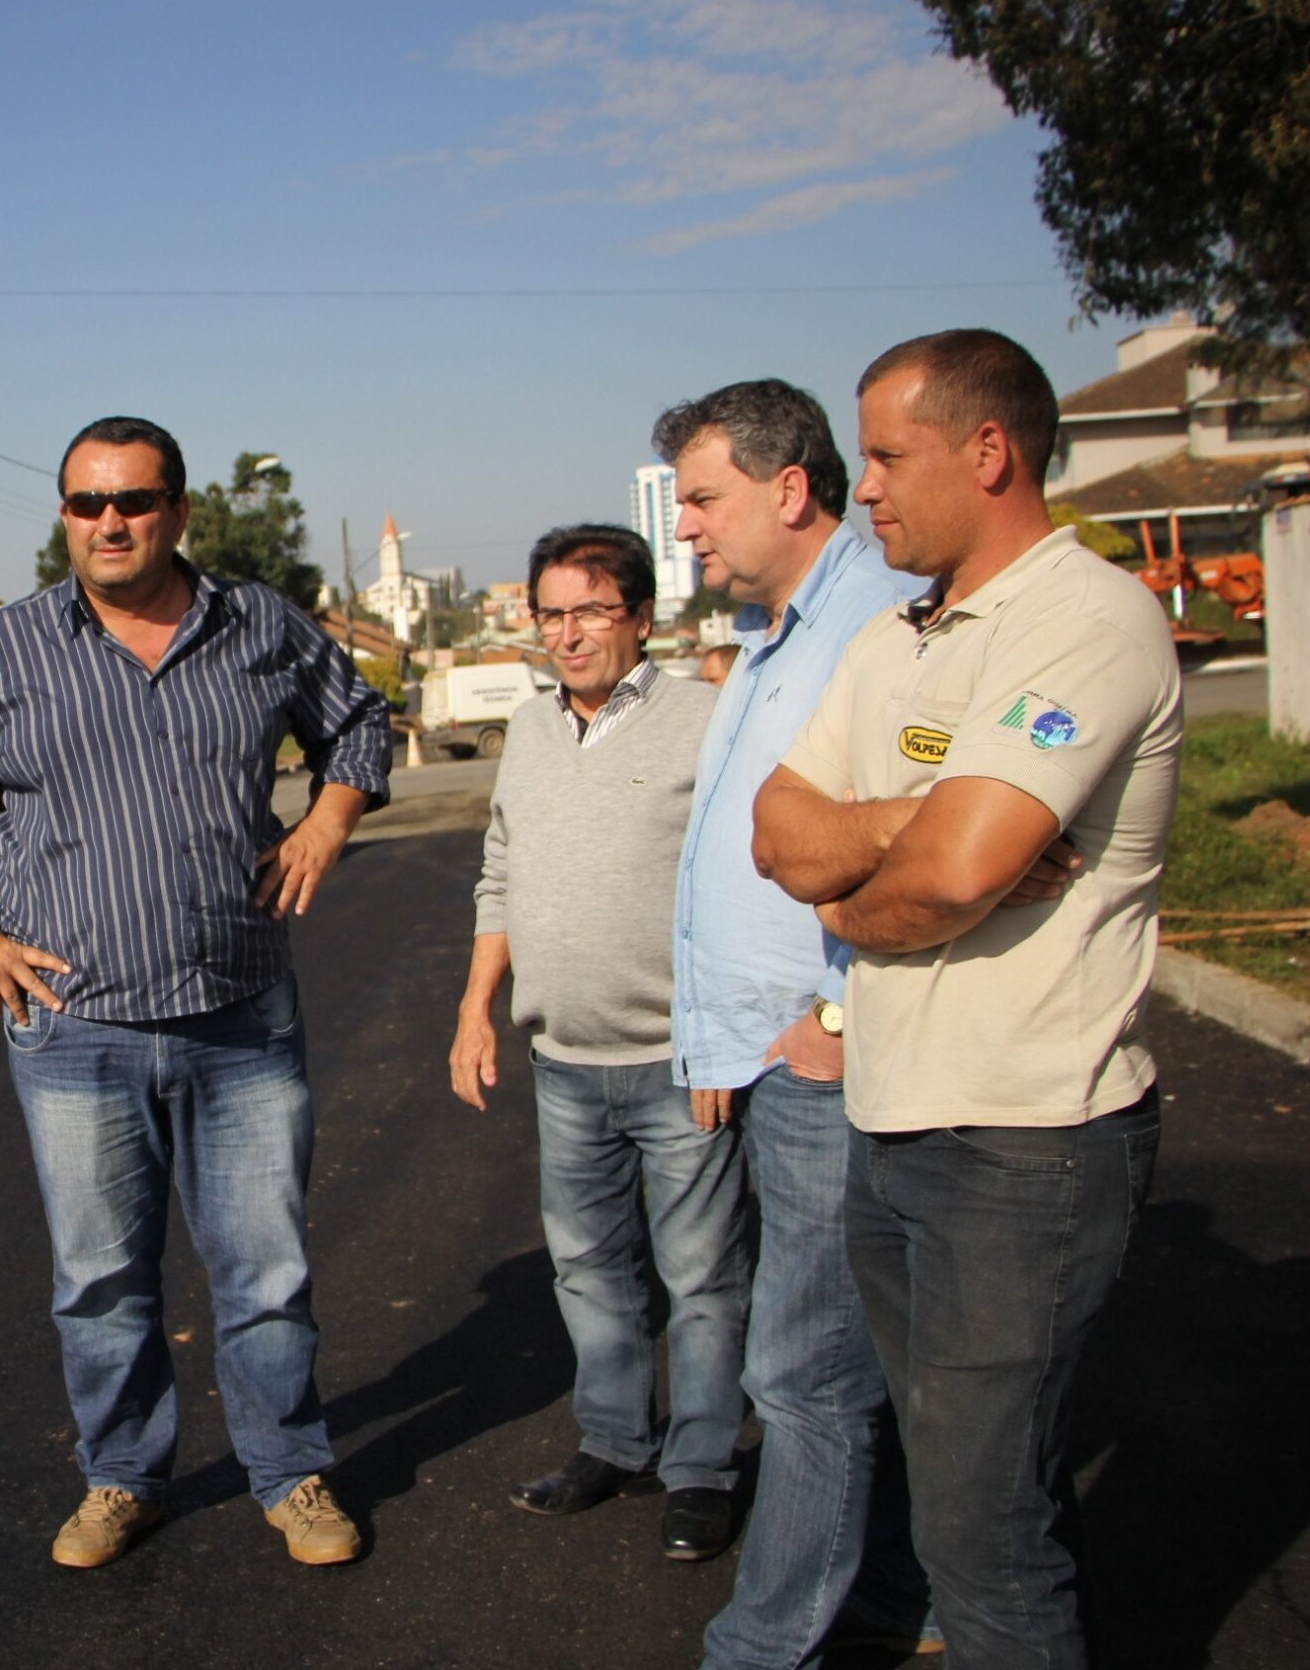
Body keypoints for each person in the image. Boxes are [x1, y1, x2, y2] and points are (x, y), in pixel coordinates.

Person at [0, 415, 389, 1570]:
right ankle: (120, 1479)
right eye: (87, 504)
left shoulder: (258, 625)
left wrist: (327, 823)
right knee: (99, 1284)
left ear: (178, 511)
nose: (111, 523)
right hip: (74, 1031)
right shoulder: (5, 651)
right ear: (63, 517)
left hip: (240, 1016)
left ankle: (290, 1473)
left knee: (265, 1271)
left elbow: (356, 725)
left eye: (134, 502)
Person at [752, 329, 1180, 1669]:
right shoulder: (896, 637)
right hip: (895, 1118)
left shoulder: (1086, 621)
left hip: (1027, 1140)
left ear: (987, 451)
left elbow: (945, 881)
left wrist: (863, 890)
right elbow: (782, 834)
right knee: (957, 1496)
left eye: (885, 455)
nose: (862, 486)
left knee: (990, 1537)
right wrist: (896, 840)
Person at [655, 381, 936, 1666]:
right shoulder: (778, 634)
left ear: (789, 487)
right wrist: (723, 1041)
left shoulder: (876, 624)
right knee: (847, 1366)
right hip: (772, 1061)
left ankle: (764, 1650)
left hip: (824, 1059)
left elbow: (928, 848)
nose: (690, 530)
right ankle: (892, 1598)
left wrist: (829, 1013)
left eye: (704, 500)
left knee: (805, 1378)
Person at [448, 523, 748, 1563]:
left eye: (587, 610)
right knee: (586, 1269)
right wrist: (474, 1007)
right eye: (549, 613)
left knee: (701, 1276)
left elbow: (745, 888)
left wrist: (721, 1037)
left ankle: (702, 1468)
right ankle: (614, 1440)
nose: (565, 635)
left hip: (676, 1061)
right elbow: (500, 871)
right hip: (562, 1062)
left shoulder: (707, 720)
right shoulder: (529, 730)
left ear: (640, 617)